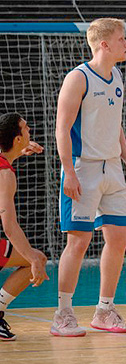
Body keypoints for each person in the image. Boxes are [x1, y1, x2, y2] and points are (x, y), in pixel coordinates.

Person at [52, 18, 126, 337]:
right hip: (82, 167)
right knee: (79, 241)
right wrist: (69, 171)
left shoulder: (116, 75)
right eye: (121, 39)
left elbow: (114, 124)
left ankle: (104, 310)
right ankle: (63, 313)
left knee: (118, 238)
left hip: (112, 167)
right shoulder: (78, 78)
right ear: (104, 44)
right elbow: (62, 128)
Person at [0, 113, 49, 341]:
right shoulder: (5, 176)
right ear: (18, 138)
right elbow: (9, 227)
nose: (30, 130)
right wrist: (33, 260)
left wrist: (19, 152)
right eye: (26, 128)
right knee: (37, 258)